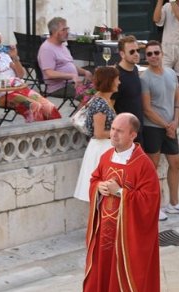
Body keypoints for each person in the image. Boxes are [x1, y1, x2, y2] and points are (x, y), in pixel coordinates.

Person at [82, 113, 161, 292]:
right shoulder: (107, 156)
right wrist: (99, 187)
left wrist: (120, 192)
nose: (113, 134)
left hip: (130, 239)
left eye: (119, 131)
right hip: (106, 236)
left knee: (128, 280)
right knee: (109, 281)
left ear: (133, 135)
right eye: (113, 129)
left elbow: (150, 200)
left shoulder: (143, 164)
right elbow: (95, 179)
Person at [140, 40, 179, 220]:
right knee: (152, 167)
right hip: (152, 127)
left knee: (176, 162)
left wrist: (175, 121)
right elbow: (147, 109)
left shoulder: (171, 73)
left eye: (156, 52)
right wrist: (166, 126)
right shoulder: (144, 79)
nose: (153, 56)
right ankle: (153, 207)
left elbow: (177, 100)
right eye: (149, 54)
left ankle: (174, 203)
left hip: (171, 126)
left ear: (162, 54)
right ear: (146, 57)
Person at [0, 29, 61, 122]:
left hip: (21, 89)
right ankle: (37, 130)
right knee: (34, 106)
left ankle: (55, 128)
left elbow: (20, 75)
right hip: (4, 95)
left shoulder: (5, 56)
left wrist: (15, 57)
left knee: (49, 106)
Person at [74, 67, 119, 202]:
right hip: (101, 149)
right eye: (117, 79)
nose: (119, 82)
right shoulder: (100, 103)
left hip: (105, 148)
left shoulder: (104, 100)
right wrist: (120, 133)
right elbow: (99, 133)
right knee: (101, 195)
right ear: (109, 81)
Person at [38, 17, 92, 99]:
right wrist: (71, 76)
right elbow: (49, 73)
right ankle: (83, 107)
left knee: (102, 89)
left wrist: (85, 72)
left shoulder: (62, 46)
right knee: (91, 94)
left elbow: (70, 65)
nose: (67, 32)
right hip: (59, 87)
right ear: (54, 32)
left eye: (67, 29)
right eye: (64, 30)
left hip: (70, 84)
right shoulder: (47, 49)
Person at [112, 35, 144, 144]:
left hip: (138, 129)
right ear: (122, 54)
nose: (136, 54)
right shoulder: (116, 76)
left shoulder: (135, 69)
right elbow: (110, 105)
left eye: (138, 50)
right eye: (132, 52)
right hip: (125, 133)